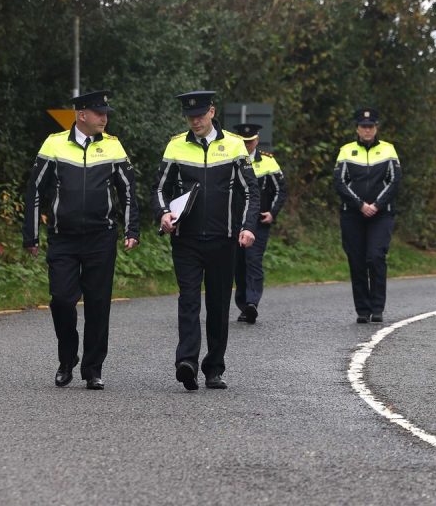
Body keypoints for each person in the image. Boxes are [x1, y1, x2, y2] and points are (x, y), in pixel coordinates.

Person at [22, 90, 140, 390]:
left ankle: (93, 368)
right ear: (81, 115)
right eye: (99, 113)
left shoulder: (113, 146)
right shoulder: (54, 144)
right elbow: (35, 189)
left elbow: (128, 190)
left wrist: (131, 230)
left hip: (101, 237)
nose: (105, 118)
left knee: (98, 304)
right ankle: (66, 358)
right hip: (64, 238)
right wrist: (31, 234)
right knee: (62, 299)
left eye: (106, 113)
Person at [152, 91, 260, 391]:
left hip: (223, 240)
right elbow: (159, 188)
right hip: (186, 240)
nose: (195, 121)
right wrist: (162, 213)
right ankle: (186, 362)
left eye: (200, 114)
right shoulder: (176, 146)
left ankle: (214, 367)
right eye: (190, 117)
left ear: (212, 112)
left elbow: (251, 191)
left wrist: (248, 227)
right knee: (188, 300)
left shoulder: (235, 145)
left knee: (217, 305)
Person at [332, 108, 402, 324]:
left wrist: (377, 205)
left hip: (381, 215)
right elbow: (339, 182)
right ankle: (363, 309)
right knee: (357, 260)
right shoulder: (346, 151)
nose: (367, 130)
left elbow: (394, 180)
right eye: (364, 126)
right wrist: (360, 205)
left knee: (375, 257)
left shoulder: (388, 150)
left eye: (371, 126)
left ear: (376, 128)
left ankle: (377, 307)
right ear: (357, 129)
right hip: (352, 214)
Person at [231, 123, 287, 324]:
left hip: (259, 222)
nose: (247, 145)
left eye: (250, 141)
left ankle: (252, 302)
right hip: (235, 221)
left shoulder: (268, 162)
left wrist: (272, 213)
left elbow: (281, 190)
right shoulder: (230, 159)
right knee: (238, 264)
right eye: (244, 142)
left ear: (256, 141)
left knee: (252, 260)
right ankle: (243, 305)